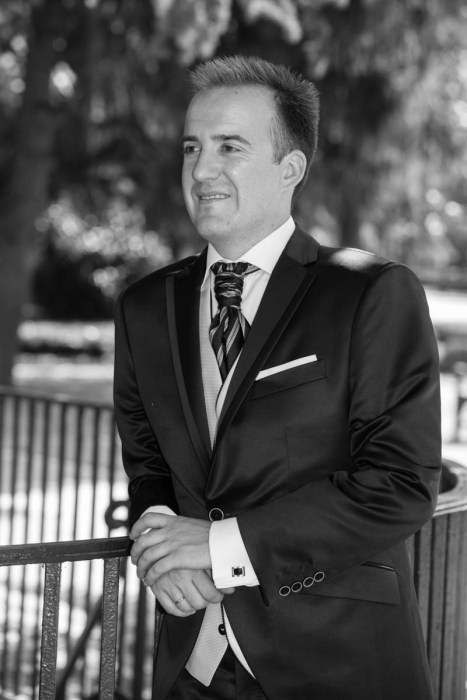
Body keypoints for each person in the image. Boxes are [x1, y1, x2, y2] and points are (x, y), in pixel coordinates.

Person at [113, 55, 441, 700]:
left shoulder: (369, 293)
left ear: (290, 168)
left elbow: (400, 484)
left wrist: (219, 547)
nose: (201, 170)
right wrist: (160, 547)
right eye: (191, 147)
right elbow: (147, 462)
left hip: (337, 664)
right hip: (192, 667)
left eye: (229, 147)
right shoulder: (143, 306)